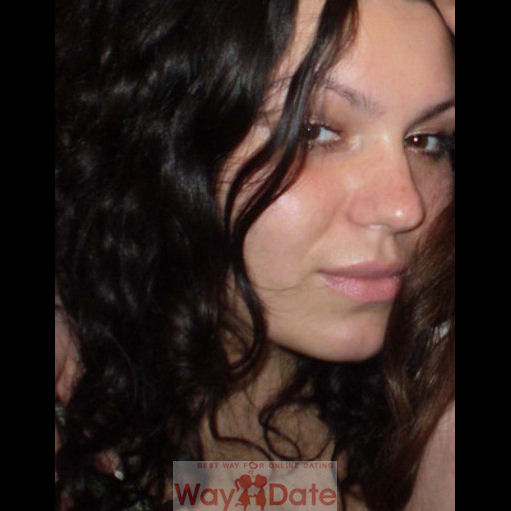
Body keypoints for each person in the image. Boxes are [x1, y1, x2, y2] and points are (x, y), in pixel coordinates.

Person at [55, 0, 455, 509]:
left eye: (427, 140)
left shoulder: (418, 385)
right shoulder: (86, 409)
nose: (404, 208)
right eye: (313, 131)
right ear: (162, 135)